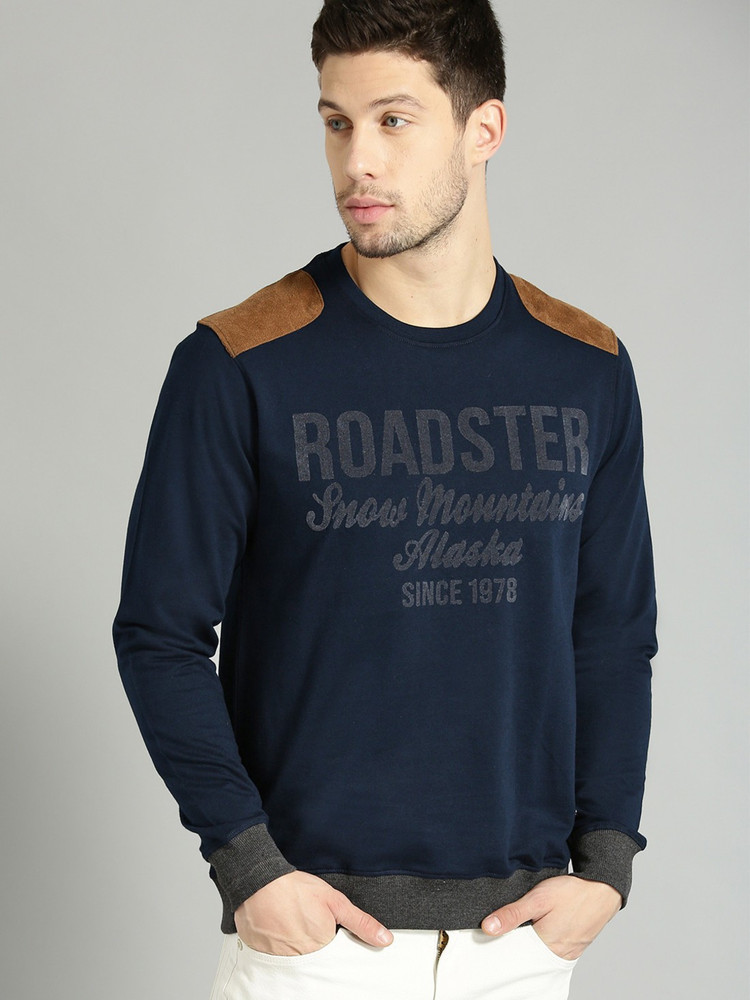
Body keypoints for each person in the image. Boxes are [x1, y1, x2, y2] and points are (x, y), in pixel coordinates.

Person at [113, 1, 657, 997]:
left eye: (393, 120)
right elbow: (158, 632)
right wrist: (248, 864)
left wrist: (607, 863)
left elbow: (613, 634)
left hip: (519, 946)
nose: (357, 161)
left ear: (483, 128)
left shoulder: (587, 367)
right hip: (316, 942)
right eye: (337, 122)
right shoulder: (239, 362)